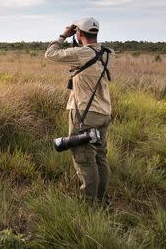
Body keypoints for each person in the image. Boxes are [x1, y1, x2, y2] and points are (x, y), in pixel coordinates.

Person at [45, 17, 114, 204]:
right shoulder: (108, 53)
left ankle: (88, 203)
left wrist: (63, 36)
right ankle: (101, 199)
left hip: (84, 114)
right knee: (100, 157)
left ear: (80, 33)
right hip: (103, 113)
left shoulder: (82, 53)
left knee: (84, 159)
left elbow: (50, 54)